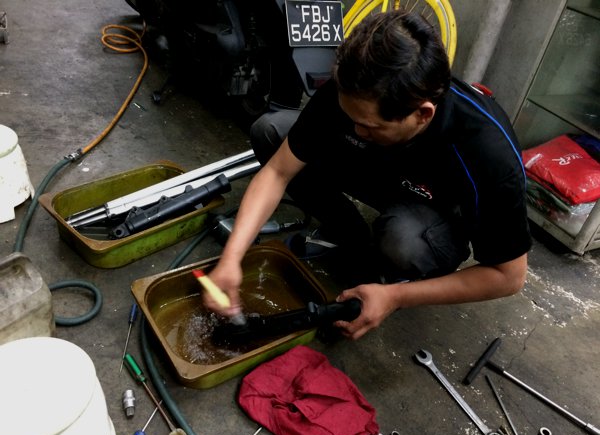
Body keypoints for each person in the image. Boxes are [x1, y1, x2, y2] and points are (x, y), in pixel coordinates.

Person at [202, 9, 531, 340]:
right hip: (382, 171)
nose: (355, 128)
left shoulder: (487, 153)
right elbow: (276, 172)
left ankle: (391, 273)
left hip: (433, 205)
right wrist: (232, 257)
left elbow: (508, 276)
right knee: (271, 133)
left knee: (403, 241)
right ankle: (352, 235)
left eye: (369, 125)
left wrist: (394, 297)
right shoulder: (354, 89)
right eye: (350, 116)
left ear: (422, 114)